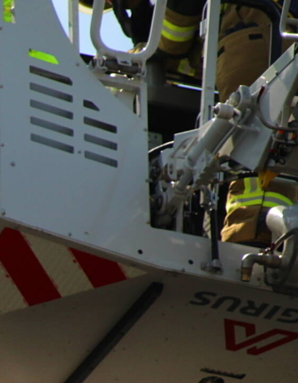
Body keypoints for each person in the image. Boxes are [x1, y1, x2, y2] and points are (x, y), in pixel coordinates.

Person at [82, 0, 297, 245]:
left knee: (251, 140)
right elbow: (196, 59)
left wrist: (151, 45)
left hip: (256, 35)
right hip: (271, 31)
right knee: (276, 140)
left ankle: (254, 230)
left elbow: (177, 35)